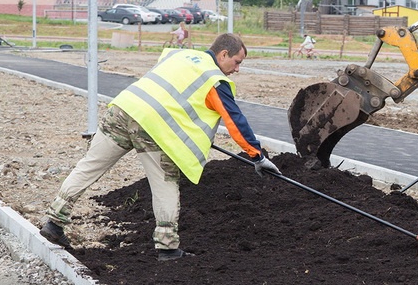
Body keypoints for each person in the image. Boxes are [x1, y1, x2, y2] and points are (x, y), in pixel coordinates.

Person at [39, 33, 281, 261]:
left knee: (88, 166)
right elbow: (234, 120)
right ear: (223, 54)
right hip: (151, 127)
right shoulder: (214, 80)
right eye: (237, 62)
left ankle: (54, 221)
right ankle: (167, 247)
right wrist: (257, 156)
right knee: (165, 183)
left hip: (123, 109)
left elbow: (172, 91)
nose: (237, 69)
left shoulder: (178, 55)